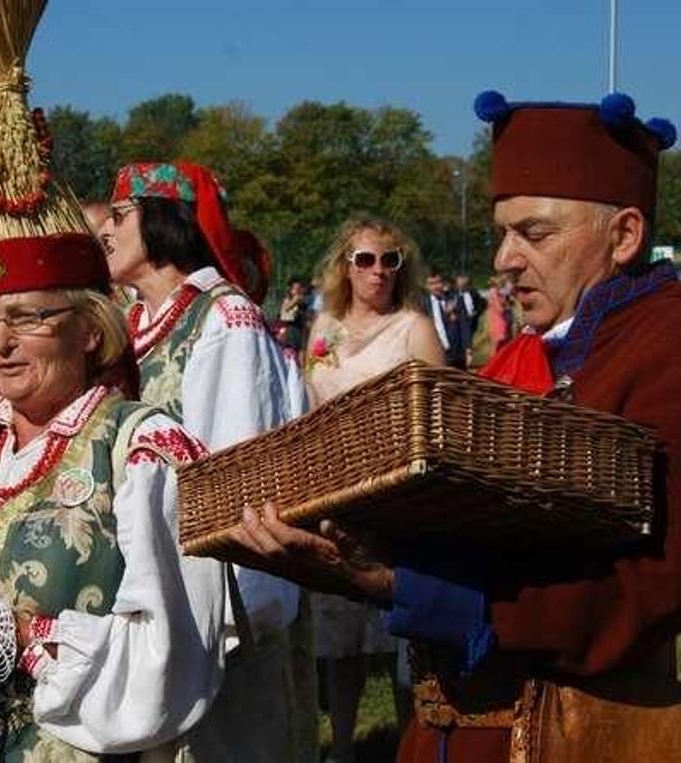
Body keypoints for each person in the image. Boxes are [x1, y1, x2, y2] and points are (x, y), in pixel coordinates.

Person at [228, 90, 680, 762]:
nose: (505, 257)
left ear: (624, 236)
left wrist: (403, 583)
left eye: (535, 232)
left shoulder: (664, 342)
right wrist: (349, 542)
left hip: (573, 737)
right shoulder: (522, 354)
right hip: (449, 730)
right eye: (502, 231)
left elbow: (642, 592)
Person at [0, 232, 226, 760]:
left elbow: (172, 653)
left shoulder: (142, 448)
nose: (1, 343)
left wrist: (27, 636)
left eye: (27, 318)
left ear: (90, 329)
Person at [99, 160, 314, 761]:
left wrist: (226, 618)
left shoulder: (224, 320)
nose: (106, 231)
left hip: (215, 608)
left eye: (120, 216)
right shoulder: (133, 324)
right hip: (144, 591)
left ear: (163, 221)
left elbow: (235, 472)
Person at [304, 214, 443, 763]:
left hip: (398, 500)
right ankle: (342, 748)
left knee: (408, 633)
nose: (379, 271)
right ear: (346, 266)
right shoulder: (323, 328)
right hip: (335, 495)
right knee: (339, 639)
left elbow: (439, 411)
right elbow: (312, 408)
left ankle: (412, 745)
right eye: (365, 259)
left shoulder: (415, 328)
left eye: (391, 260)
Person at [423, 271, 471, 369]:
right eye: (431, 284)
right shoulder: (422, 305)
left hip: (456, 353)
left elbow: (464, 325)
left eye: (438, 282)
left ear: (443, 283)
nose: (436, 286)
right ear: (426, 286)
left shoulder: (456, 299)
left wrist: (468, 348)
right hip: (435, 353)